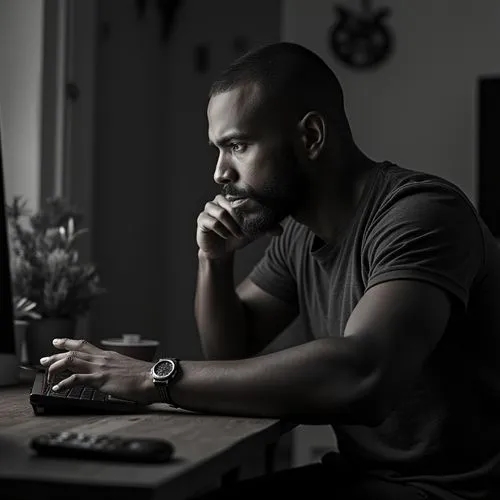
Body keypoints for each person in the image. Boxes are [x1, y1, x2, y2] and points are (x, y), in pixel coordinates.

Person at [39, 42, 500, 500]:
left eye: (237, 145)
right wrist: (214, 261)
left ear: (312, 137)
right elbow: (230, 353)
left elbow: (364, 374)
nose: (220, 173)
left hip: (454, 492)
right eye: (218, 149)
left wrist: (152, 378)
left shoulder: (420, 214)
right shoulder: (301, 234)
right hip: (364, 477)